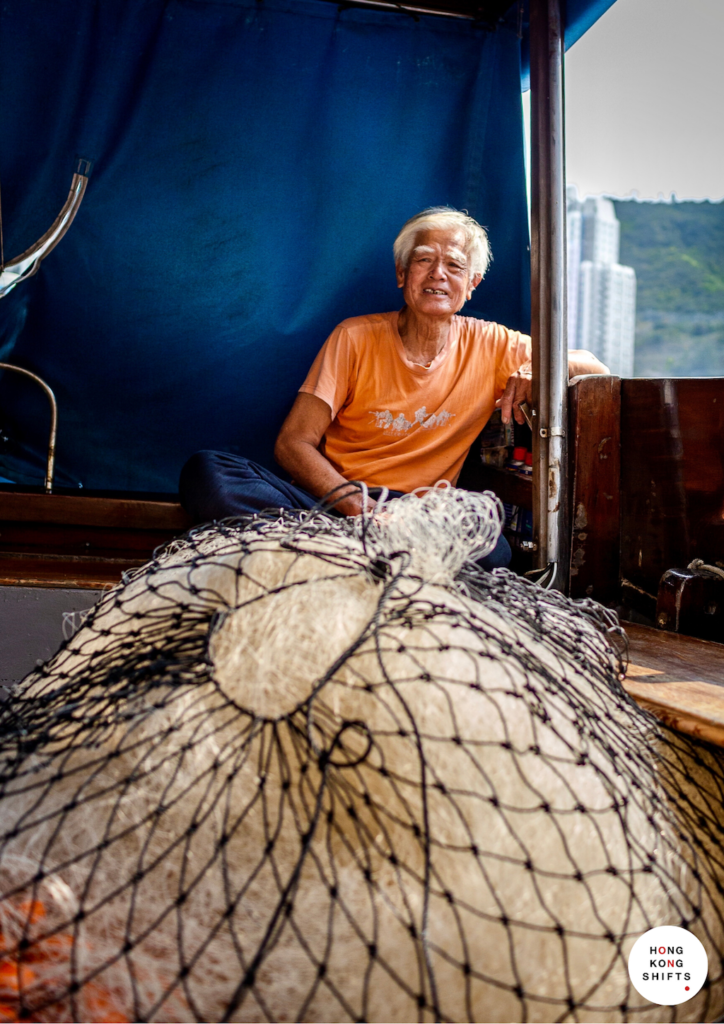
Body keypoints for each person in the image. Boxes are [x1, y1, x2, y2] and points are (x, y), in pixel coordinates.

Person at [180, 207, 607, 568]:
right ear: (402, 274)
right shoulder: (354, 337)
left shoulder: (492, 344)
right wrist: (356, 508)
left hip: (415, 514)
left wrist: (534, 369)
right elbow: (294, 444)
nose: (438, 274)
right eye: (424, 261)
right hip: (334, 500)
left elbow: (595, 366)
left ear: (472, 284)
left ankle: (328, 554)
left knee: (491, 549)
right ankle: (364, 552)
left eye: (455, 265)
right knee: (209, 472)